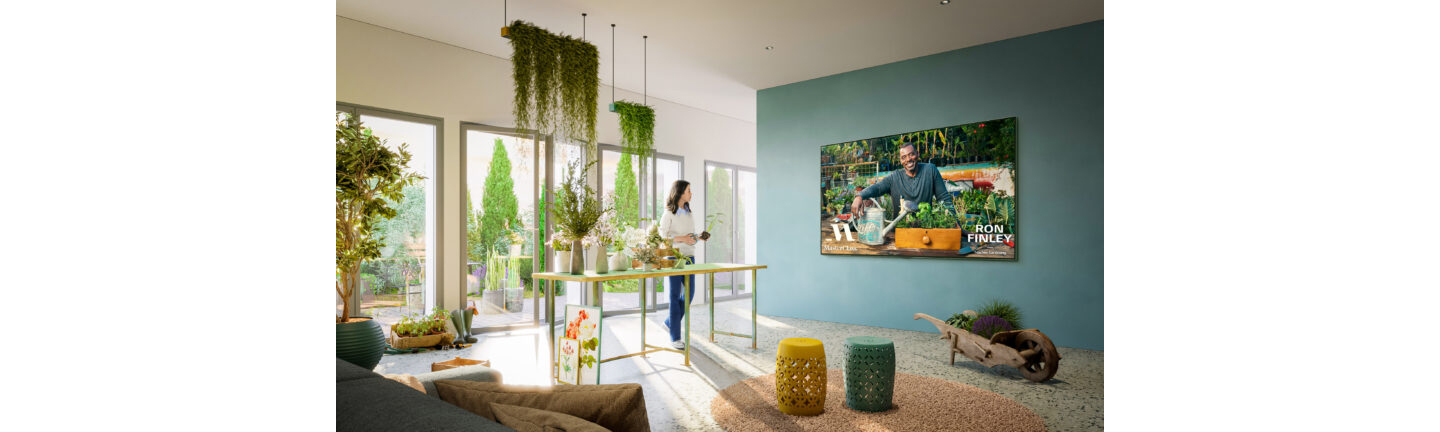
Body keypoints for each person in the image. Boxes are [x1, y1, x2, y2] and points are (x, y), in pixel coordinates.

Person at [658, 180, 708, 350]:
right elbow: (661, 238)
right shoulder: (668, 215)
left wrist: (698, 237)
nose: (691, 193)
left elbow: (690, 236)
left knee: (689, 294)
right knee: (674, 295)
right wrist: (681, 239)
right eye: (688, 190)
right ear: (679, 193)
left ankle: (668, 322)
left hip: (689, 257)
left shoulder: (689, 213)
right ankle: (675, 337)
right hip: (674, 257)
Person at [851, 143, 949, 217]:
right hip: (900, 231)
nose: (908, 159)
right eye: (903, 157)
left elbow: (944, 198)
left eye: (911, 155)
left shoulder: (930, 170)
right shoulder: (895, 177)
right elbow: (878, 187)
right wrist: (859, 196)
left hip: (924, 228)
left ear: (917, 154)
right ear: (901, 161)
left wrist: (955, 223)